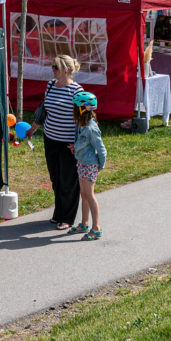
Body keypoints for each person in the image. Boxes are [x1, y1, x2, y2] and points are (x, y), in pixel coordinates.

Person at [31, 54, 83, 229]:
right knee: (56, 178)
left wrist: (78, 143)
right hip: (50, 139)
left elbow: (83, 120)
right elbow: (44, 110)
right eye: (52, 66)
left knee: (68, 180)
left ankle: (68, 218)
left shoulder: (77, 91)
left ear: (67, 70)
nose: (52, 70)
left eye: (56, 67)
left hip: (69, 143)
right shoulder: (51, 85)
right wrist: (33, 128)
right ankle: (59, 212)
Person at [70, 90, 107, 240]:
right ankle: (84, 223)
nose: (72, 109)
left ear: (81, 109)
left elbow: (101, 149)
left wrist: (100, 166)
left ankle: (96, 228)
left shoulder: (91, 128)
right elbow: (82, 143)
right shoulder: (80, 124)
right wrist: (75, 147)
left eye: (74, 107)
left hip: (90, 165)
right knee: (83, 194)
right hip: (82, 163)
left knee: (89, 195)